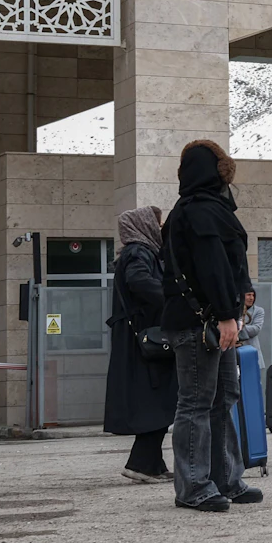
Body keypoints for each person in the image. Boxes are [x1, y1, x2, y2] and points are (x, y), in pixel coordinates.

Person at [160, 140, 262, 513]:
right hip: (201, 323)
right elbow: (213, 266)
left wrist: (234, 305)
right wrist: (224, 313)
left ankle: (225, 479)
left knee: (221, 399)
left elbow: (225, 265)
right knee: (198, 403)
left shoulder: (191, 210)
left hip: (209, 321)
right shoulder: (201, 211)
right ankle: (194, 486)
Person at [103, 206, 175, 484]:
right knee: (158, 398)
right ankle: (141, 463)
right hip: (145, 340)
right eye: (156, 224)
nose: (159, 229)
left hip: (138, 337)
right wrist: (172, 299)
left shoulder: (138, 252)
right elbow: (139, 281)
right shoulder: (138, 252)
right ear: (144, 225)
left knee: (154, 401)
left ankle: (153, 463)